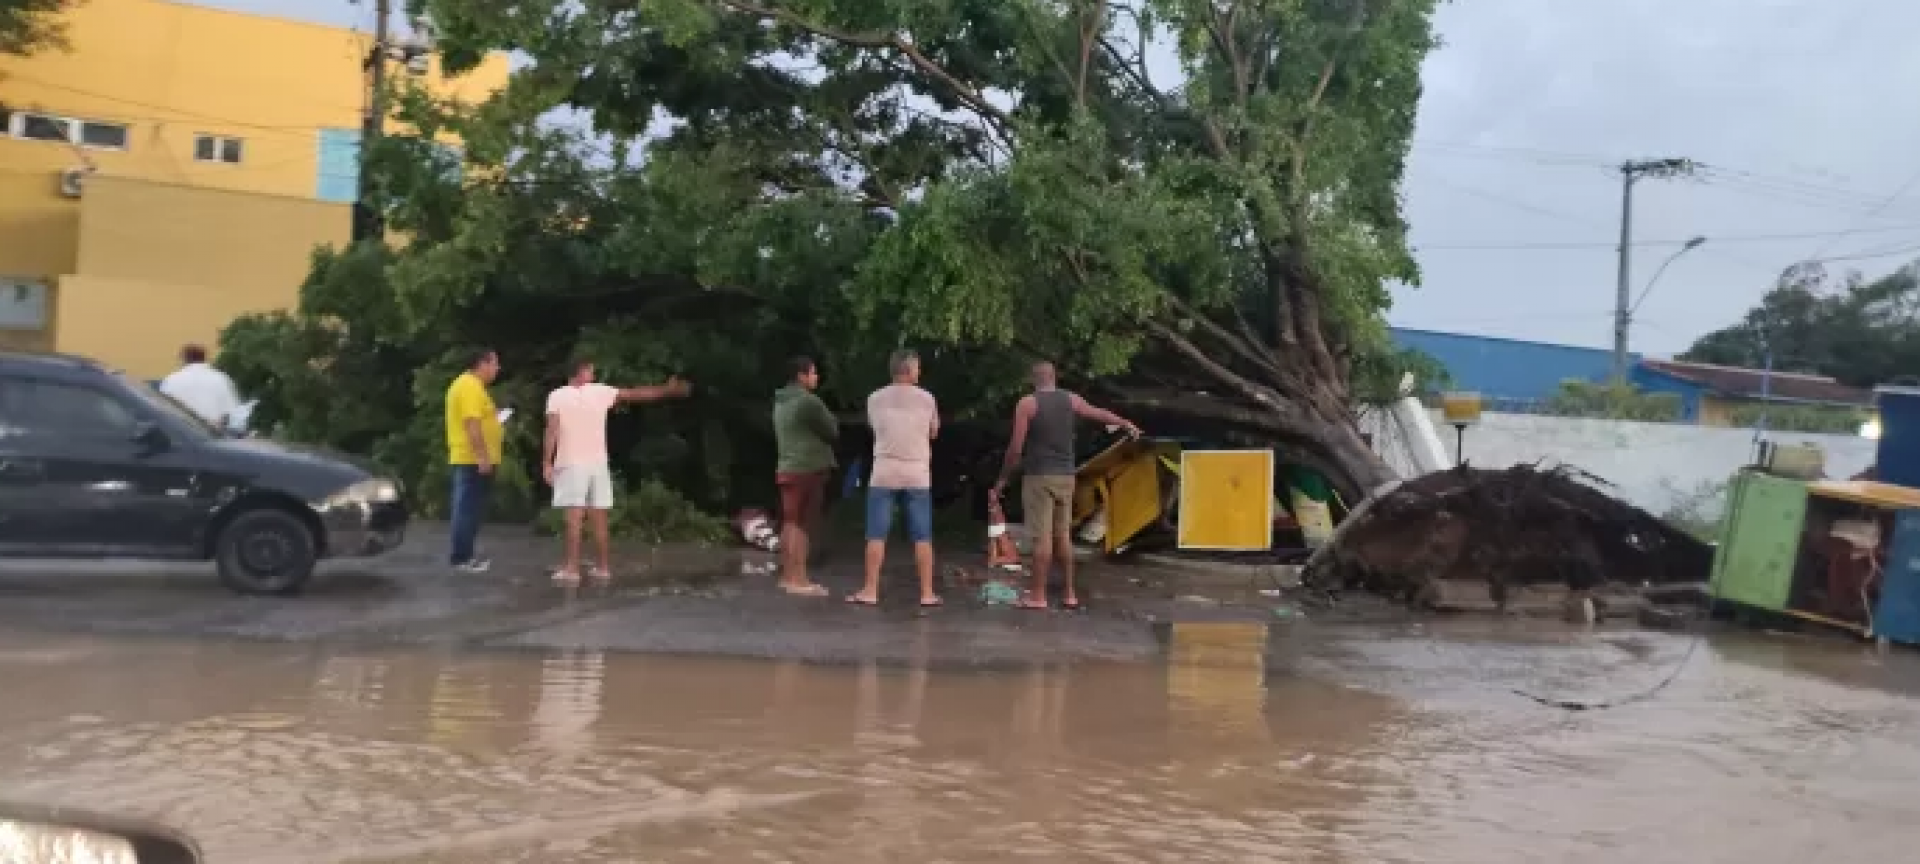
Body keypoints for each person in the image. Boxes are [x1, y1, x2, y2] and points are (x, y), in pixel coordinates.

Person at [991, 361, 1140, 610]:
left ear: (1032, 379)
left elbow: (1015, 449)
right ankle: (1070, 593)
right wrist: (1126, 423)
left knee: (1042, 539)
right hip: (1066, 477)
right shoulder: (1071, 400)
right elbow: (1099, 413)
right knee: (1063, 536)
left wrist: (1003, 479)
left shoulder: (1027, 404)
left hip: (1039, 476)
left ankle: (1037, 596)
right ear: (1054, 378)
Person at [542, 358, 693, 582]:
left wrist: (546, 461)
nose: (593, 373)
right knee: (599, 517)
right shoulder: (600, 392)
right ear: (580, 372)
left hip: (571, 463)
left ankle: (572, 569)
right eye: (590, 370)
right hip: (598, 465)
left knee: (574, 518)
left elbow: (551, 431)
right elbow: (637, 394)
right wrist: (667, 390)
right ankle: (603, 568)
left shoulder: (557, 396)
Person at [848, 349, 940, 608]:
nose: (920, 372)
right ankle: (927, 593)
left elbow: (873, 427)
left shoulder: (874, 398)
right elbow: (934, 432)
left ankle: (870, 590)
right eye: (918, 368)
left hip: (884, 471)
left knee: (876, 533)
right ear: (910, 370)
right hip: (917, 473)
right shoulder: (927, 399)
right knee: (922, 536)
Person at [771, 356, 838, 596]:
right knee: (803, 526)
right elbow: (832, 429)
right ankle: (800, 580)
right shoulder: (808, 402)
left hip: (787, 466)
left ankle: (788, 575)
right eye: (813, 373)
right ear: (801, 376)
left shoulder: (780, 401)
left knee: (790, 523)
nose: (816, 377)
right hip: (808, 467)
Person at [446, 348, 505, 573]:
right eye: (495, 363)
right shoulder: (469, 386)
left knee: (471, 507)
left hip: (473, 458)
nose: (497, 369)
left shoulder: (473, 387)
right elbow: (472, 423)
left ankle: (466, 554)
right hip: (471, 459)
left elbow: (480, 419)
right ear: (482, 364)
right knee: (466, 508)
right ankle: (462, 557)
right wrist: (482, 456)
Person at [158, 344, 243, 431]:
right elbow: (233, 411)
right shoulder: (221, 378)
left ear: (184, 359)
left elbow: (162, 409)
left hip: (180, 432)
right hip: (213, 433)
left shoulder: (171, 379)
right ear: (204, 358)